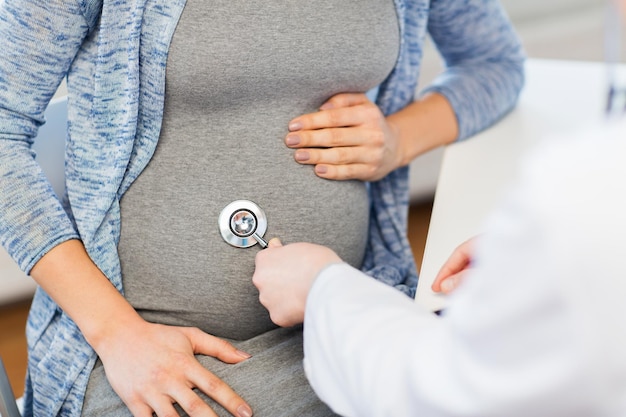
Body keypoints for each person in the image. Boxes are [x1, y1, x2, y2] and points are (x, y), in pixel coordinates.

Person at [0, 0, 524, 416]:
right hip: (145, 356)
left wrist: (397, 140)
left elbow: (495, 64)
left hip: (338, 318)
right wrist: (117, 336)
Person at [252, 116, 626, 416]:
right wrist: (534, 257)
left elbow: (435, 395)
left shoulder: (573, 199)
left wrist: (321, 287)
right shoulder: (585, 203)